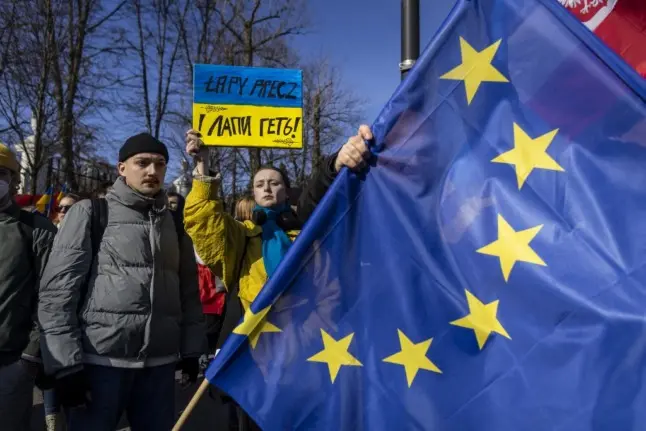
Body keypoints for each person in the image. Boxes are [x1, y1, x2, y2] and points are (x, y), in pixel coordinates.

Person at [183, 125, 372, 431]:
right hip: (252, 358)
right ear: (253, 193)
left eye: (274, 183)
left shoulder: (307, 238)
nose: (267, 188)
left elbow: (329, 294)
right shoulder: (241, 237)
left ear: (286, 190)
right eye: (260, 184)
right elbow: (204, 222)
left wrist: (302, 337)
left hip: (303, 357)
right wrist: (202, 165)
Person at [38, 133, 206, 431]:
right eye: (142, 163)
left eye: (160, 164)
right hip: (100, 363)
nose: (152, 171)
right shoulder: (91, 212)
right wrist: (65, 364)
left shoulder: (175, 224)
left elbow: (189, 293)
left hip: (159, 367)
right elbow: (58, 292)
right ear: (122, 168)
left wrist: (192, 350)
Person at [0, 143, 57, 431]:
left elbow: (53, 295)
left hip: (10, 362)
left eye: (1, 173)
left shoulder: (36, 228)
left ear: (13, 179)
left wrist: (30, 354)